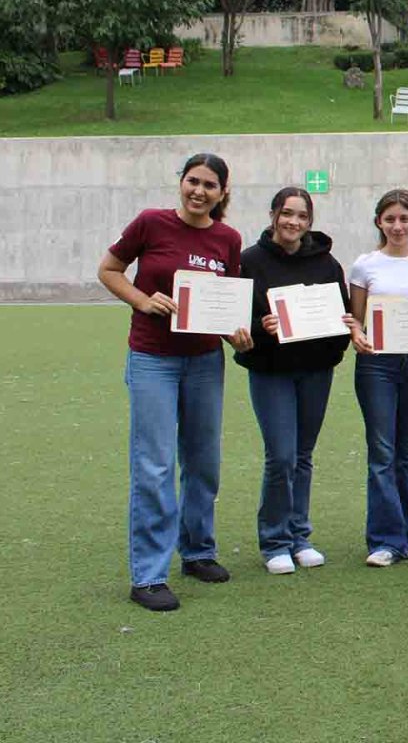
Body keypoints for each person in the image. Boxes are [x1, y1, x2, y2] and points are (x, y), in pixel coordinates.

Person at [97, 153, 252, 611]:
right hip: (152, 359)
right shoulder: (150, 223)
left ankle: (198, 551)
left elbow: (225, 307)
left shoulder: (228, 239)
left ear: (223, 193)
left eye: (209, 185)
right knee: (155, 465)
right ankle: (147, 576)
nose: (199, 191)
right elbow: (108, 270)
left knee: (203, 462)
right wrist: (143, 302)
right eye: (193, 182)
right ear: (181, 183)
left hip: (205, 361)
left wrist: (237, 336)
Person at [234, 186, 352, 575]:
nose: (293, 222)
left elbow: (342, 316)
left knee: (302, 456)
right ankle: (274, 541)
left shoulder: (327, 263)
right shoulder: (250, 261)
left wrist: (345, 329)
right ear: (273, 215)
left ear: (310, 222)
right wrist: (262, 327)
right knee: (281, 456)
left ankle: (299, 535)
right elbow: (237, 324)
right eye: (287, 214)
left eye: (302, 216)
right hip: (271, 372)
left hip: (316, 370)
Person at [346, 189, 408, 568]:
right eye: (390, 219)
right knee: (382, 453)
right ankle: (385, 541)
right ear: (379, 223)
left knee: (407, 452)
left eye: (405, 219)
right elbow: (356, 318)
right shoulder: (365, 265)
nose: (398, 226)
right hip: (377, 366)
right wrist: (356, 333)